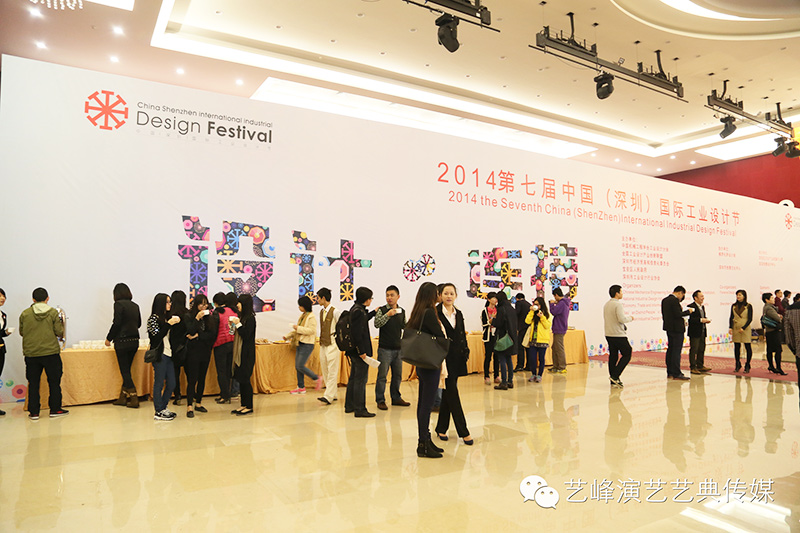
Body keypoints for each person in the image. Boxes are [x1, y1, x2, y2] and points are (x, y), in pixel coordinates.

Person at [406, 282, 446, 458]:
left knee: (423, 402)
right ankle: (423, 443)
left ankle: (425, 440)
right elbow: (440, 336)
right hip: (430, 362)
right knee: (427, 404)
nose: (439, 295)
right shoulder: (429, 312)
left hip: (422, 362)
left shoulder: (418, 311)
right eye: (437, 293)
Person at [19, 287, 68, 420]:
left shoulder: (25, 313)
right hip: (51, 352)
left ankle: (34, 412)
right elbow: (59, 331)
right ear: (47, 299)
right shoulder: (53, 313)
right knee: (54, 382)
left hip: (31, 353)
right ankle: (55, 409)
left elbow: (22, 332)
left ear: (33, 299)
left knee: (33, 382)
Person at [434, 283, 473, 445]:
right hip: (442, 359)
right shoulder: (435, 313)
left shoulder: (459, 313)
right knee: (452, 392)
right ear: (440, 295)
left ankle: (441, 428)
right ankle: (463, 431)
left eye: (451, 293)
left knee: (448, 393)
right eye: (445, 293)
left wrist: (465, 351)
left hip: (456, 358)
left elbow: (461, 335)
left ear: (456, 295)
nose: (449, 296)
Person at [104, 283, 142, 408]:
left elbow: (117, 323)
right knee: (127, 371)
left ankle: (134, 397)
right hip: (134, 340)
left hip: (122, 341)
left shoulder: (118, 304)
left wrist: (109, 338)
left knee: (125, 371)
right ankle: (123, 397)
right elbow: (139, 324)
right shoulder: (135, 306)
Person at [373, 285, 410, 410]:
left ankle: (396, 398)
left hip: (398, 348)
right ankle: (380, 400)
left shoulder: (402, 311)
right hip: (384, 348)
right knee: (382, 376)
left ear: (398, 297)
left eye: (392, 295)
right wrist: (387, 315)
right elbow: (377, 324)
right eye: (387, 295)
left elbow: (404, 326)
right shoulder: (382, 310)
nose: (389, 298)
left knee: (397, 375)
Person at [147, 293, 180, 421]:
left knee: (172, 383)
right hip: (160, 354)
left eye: (170, 302)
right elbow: (156, 338)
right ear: (161, 303)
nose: (169, 304)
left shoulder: (167, 318)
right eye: (167, 302)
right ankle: (158, 410)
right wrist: (168, 324)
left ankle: (163, 407)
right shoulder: (153, 319)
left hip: (169, 354)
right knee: (159, 383)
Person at [345, 287, 376, 418]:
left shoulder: (356, 309)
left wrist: (373, 312)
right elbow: (357, 334)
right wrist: (361, 351)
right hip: (359, 352)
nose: (371, 300)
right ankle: (360, 408)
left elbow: (362, 321)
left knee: (354, 378)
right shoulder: (358, 311)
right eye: (370, 298)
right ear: (366, 299)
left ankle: (350, 405)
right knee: (360, 380)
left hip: (353, 351)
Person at [185, 294, 215, 417]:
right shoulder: (189, 316)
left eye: (206, 304)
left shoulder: (209, 318)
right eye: (201, 304)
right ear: (196, 305)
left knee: (202, 378)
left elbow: (212, 335)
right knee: (192, 379)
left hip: (205, 351)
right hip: (193, 352)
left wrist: (198, 335)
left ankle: (198, 403)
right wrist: (197, 318)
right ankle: (189, 406)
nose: (204, 306)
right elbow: (190, 331)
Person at [285, 296, 322, 394]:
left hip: (307, 344)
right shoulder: (303, 316)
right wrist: (288, 336)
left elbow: (311, 331)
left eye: (300, 305)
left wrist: (298, 328)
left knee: (300, 365)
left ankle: (316, 378)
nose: (299, 307)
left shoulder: (311, 317)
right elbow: (298, 330)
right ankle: (301, 387)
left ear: (304, 306)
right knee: (298, 367)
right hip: (300, 343)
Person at [603, 285, 634, 387]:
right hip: (618, 334)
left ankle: (613, 380)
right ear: (617, 293)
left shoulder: (607, 304)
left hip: (609, 333)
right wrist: (630, 318)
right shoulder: (618, 305)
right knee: (627, 352)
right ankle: (615, 376)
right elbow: (621, 319)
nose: (622, 293)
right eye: (621, 291)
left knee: (613, 356)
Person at [661, 285, 693, 381]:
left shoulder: (665, 300)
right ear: (680, 293)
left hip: (669, 328)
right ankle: (677, 373)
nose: (682, 298)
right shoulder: (674, 301)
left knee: (670, 350)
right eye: (682, 295)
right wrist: (688, 312)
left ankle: (670, 372)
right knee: (676, 351)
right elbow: (678, 314)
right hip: (677, 329)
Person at [231, 293, 256, 415]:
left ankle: (249, 406)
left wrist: (238, 325)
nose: (237, 305)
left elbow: (246, 335)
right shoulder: (242, 317)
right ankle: (243, 404)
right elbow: (234, 333)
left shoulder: (250, 318)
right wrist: (234, 325)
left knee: (245, 379)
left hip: (247, 354)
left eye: (239, 302)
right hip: (240, 353)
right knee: (240, 379)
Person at [316, 288, 340, 405]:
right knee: (325, 368)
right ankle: (332, 393)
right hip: (323, 343)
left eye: (318, 298)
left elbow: (341, 327)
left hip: (333, 343)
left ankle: (328, 396)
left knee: (332, 370)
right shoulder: (321, 312)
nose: (317, 300)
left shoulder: (335, 311)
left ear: (323, 298)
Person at [211, 292, 236, 404]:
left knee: (221, 371)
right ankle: (228, 393)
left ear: (215, 303)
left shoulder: (216, 312)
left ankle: (224, 395)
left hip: (220, 344)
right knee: (229, 370)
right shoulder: (233, 311)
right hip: (232, 342)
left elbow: (213, 330)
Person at [168, 290, 190, 406]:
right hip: (187, 346)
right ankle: (192, 394)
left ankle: (177, 396)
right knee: (189, 373)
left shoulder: (170, 315)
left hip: (174, 347)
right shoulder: (188, 313)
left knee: (175, 373)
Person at [493, 291, 517, 390]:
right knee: (509, 359)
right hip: (511, 337)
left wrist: (493, 320)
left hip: (503, 337)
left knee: (502, 359)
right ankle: (510, 381)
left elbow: (499, 323)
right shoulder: (511, 308)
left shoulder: (501, 309)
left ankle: (503, 382)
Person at [523, 296, 551, 383]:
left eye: (537, 304)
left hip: (542, 340)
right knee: (532, 358)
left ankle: (539, 375)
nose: (536, 306)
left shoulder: (547, 314)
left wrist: (542, 317)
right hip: (533, 340)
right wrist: (531, 311)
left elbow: (547, 326)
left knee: (541, 359)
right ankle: (533, 374)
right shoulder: (533, 314)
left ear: (541, 305)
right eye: (534, 304)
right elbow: (527, 321)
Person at [687, 290, 712, 375]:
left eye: (703, 296)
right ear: (695, 298)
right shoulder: (691, 306)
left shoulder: (702, 307)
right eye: (701, 296)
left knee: (701, 349)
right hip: (694, 332)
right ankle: (693, 367)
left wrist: (706, 320)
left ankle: (700, 365)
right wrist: (701, 320)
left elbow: (702, 317)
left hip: (702, 331)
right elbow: (690, 320)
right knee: (694, 349)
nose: (703, 298)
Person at [729, 289, 754, 373]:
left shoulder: (748, 306)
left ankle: (747, 364)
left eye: (740, 295)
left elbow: (750, 318)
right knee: (737, 346)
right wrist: (730, 327)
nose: (738, 296)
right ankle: (737, 363)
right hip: (736, 327)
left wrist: (744, 327)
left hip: (745, 328)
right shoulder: (734, 306)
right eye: (737, 295)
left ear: (744, 296)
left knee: (747, 346)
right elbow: (731, 317)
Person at [761, 292, 786, 375]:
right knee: (778, 350)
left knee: (770, 350)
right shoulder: (769, 308)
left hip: (769, 331)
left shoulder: (767, 307)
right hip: (773, 331)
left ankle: (771, 366)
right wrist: (780, 317)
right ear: (767, 300)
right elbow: (778, 319)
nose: (773, 299)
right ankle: (778, 367)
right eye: (771, 298)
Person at [548, 287, 571, 374]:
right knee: (555, 347)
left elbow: (553, 312)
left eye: (554, 296)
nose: (554, 298)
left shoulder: (562, 303)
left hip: (559, 328)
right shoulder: (563, 303)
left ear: (556, 295)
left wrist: (551, 304)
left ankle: (562, 366)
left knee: (559, 348)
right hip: (558, 328)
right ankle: (556, 366)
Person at [481, 292, 500, 385]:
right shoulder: (485, 311)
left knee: (497, 357)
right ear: (488, 299)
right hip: (488, 336)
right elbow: (484, 324)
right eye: (493, 298)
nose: (495, 300)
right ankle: (486, 376)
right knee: (488, 356)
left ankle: (496, 376)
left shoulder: (498, 310)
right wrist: (492, 320)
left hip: (497, 336)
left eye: (496, 298)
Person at [0, 288, 12, 416]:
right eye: (0, 296)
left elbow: (0, 333)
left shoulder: (3, 314)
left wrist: (6, 333)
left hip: (1, 348)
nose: (2, 298)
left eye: (3, 296)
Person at [514, 293, 531, 372]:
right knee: (527, 347)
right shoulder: (528, 304)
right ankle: (529, 365)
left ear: (517, 298)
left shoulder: (519, 303)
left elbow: (516, 313)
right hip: (528, 328)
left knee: (520, 347)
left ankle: (520, 365)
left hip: (521, 328)